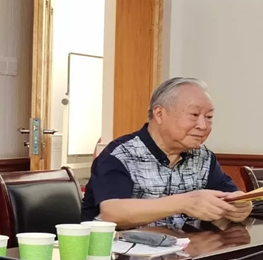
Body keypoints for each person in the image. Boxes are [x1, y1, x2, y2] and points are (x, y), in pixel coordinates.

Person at [82, 77, 252, 229]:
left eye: (209, 117)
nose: (203, 126)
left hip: (187, 251)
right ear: (159, 114)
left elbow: (231, 196)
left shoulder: (203, 157)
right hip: (121, 253)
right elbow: (112, 213)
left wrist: (240, 206)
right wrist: (184, 203)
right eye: (194, 114)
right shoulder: (121, 154)